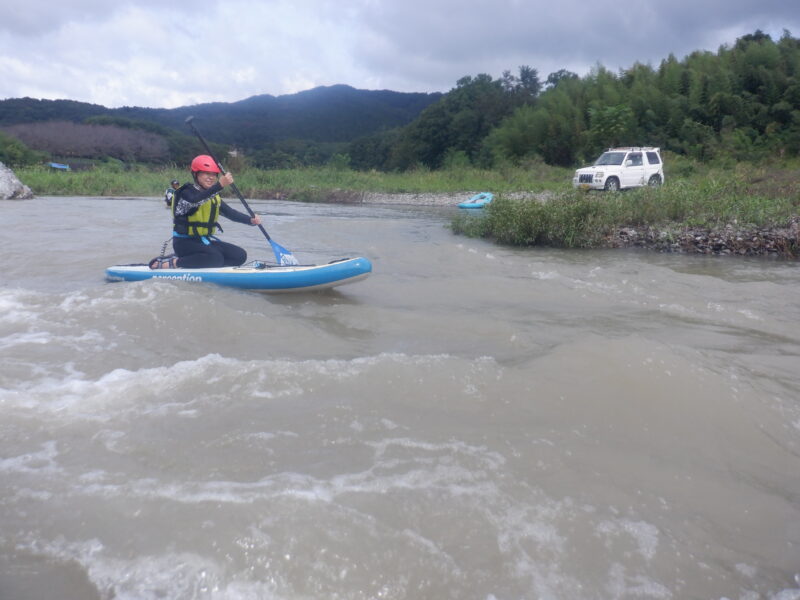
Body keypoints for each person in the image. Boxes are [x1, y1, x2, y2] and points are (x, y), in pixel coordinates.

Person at [149, 155, 261, 269]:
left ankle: (203, 261)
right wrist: (220, 185)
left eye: (214, 174)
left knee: (240, 255)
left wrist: (250, 220)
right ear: (196, 174)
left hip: (203, 241)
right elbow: (195, 200)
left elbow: (230, 213)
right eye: (207, 174)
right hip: (184, 243)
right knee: (215, 258)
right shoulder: (186, 193)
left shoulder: (213, 196)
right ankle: (173, 262)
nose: (211, 177)